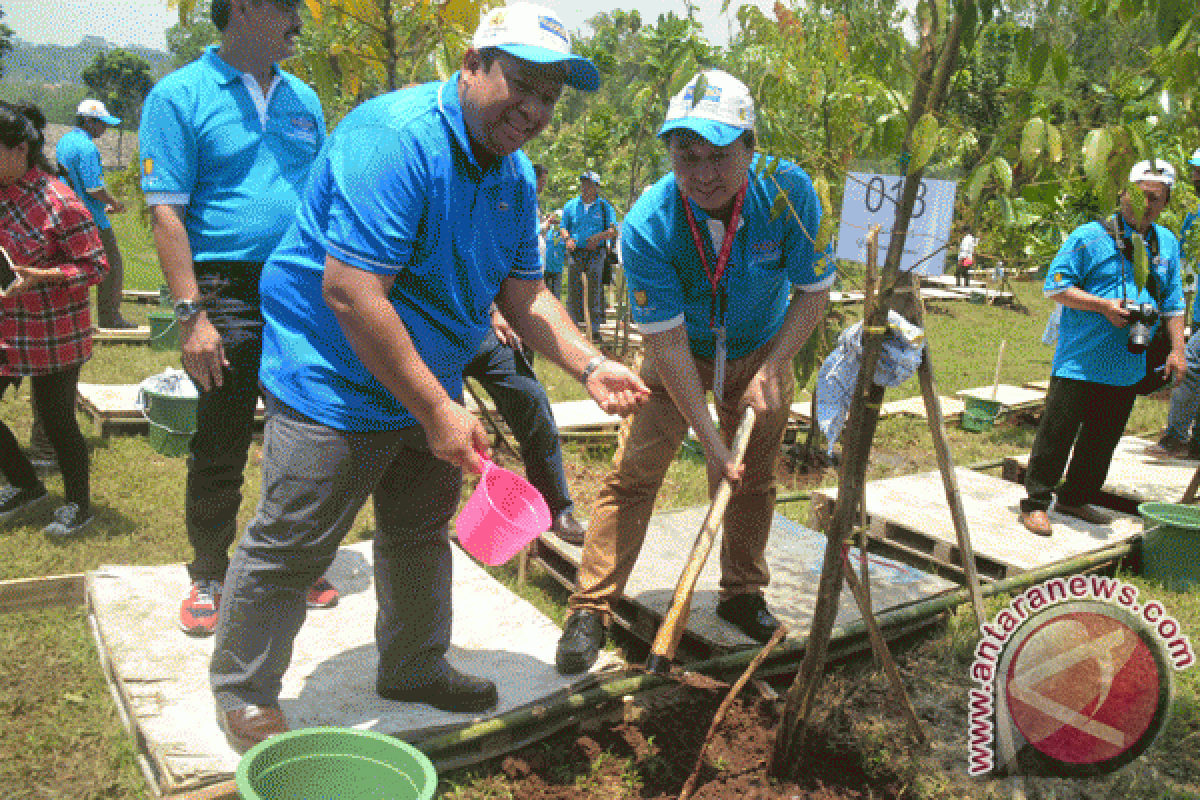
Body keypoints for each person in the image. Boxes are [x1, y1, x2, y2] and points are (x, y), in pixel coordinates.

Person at [207, 2, 649, 748]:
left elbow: (526, 293)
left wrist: (591, 362)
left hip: (426, 375)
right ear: (474, 63)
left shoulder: (512, 178)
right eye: (524, 84)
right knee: (294, 539)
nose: (535, 109)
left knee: (418, 529)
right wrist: (440, 409)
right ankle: (245, 690)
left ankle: (412, 664)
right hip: (334, 373)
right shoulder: (398, 140)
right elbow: (350, 291)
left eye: (550, 96)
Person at [555, 69, 835, 675]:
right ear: (672, 155)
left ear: (750, 146)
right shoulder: (649, 223)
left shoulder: (786, 192)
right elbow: (670, 345)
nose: (703, 173)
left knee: (752, 480)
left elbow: (814, 292)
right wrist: (708, 437)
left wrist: (777, 365)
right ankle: (592, 606)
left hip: (764, 346)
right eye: (687, 156)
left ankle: (742, 593)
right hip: (677, 358)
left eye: (719, 156)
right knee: (634, 475)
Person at [138, 0, 336, 637]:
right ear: (246, 8)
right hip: (223, 286)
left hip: (300, 288)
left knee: (306, 431)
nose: (300, 18)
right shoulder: (178, 95)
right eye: (290, 6)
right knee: (221, 437)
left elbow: (322, 193)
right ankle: (209, 572)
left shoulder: (304, 97)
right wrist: (191, 316)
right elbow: (167, 212)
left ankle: (291, 560)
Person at [1019, 160, 1186, 537]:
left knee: (1103, 437)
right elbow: (1056, 287)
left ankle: (1076, 497)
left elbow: (1174, 303)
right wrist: (1104, 306)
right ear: (1122, 192)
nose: (1146, 204)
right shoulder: (1089, 236)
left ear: (1164, 203)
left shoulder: (1167, 242)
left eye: (1155, 199)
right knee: (1057, 433)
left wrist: (1177, 350)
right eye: (1140, 194)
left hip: (1128, 363)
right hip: (1080, 360)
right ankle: (1036, 502)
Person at [0, 102, 108, 537]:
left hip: (53, 331)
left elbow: (94, 266)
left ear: (19, 148)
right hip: (7, 327)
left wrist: (41, 276)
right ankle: (27, 486)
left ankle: (79, 504)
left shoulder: (58, 201)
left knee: (57, 418)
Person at [464, 307, 586, 545]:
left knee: (533, 402)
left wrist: (500, 311)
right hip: (430, 336)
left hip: (483, 332)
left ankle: (555, 509)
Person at [54, 99, 134, 330]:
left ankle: (69, 320)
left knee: (72, 267)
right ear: (89, 121)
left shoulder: (64, 142)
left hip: (67, 213)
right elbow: (93, 188)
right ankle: (110, 318)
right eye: (102, 124)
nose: (105, 129)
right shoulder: (87, 147)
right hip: (92, 219)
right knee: (112, 264)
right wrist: (113, 203)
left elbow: (72, 181)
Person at [1154, 148, 1200, 459]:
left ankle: (1176, 437)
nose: (1195, 177)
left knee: (1192, 368)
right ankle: (1191, 443)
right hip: (1198, 313)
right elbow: (1184, 273)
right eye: (1195, 172)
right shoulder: (1193, 219)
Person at [561, 171, 617, 338]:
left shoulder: (604, 207)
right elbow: (564, 227)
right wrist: (568, 239)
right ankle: (573, 326)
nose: (585, 187)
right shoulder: (571, 205)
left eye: (590, 184)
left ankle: (595, 328)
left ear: (597, 187)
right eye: (583, 183)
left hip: (596, 252)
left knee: (594, 287)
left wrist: (599, 237)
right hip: (576, 252)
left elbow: (613, 230)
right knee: (574, 288)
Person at [543, 208, 565, 298]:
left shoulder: (564, 233)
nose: (556, 222)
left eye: (558, 220)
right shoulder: (548, 230)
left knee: (556, 294)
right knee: (546, 294)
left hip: (557, 268)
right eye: (555, 220)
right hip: (546, 267)